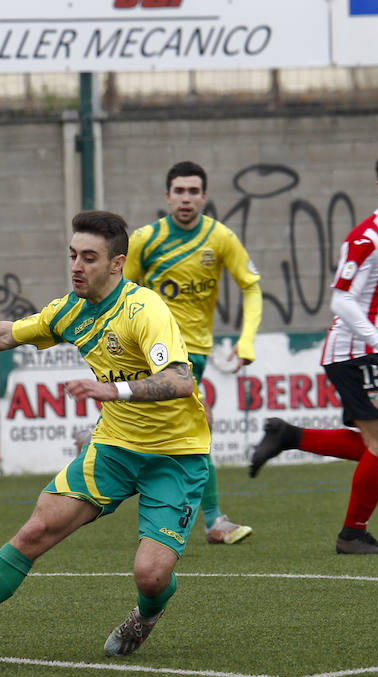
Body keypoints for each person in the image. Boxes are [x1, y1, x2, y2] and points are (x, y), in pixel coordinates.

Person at [0, 210, 209, 658]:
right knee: (35, 531)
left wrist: (112, 389)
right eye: (72, 255)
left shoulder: (144, 309)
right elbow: (8, 334)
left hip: (175, 455)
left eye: (89, 257)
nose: (76, 266)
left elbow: (181, 380)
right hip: (114, 449)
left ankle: (145, 616)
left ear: (116, 263)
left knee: (151, 575)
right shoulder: (69, 311)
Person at [248, 149, 378, 555]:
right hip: (353, 351)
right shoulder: (366, 239)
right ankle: (352, 534)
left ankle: (288, 436)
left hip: (369, 349)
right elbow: (342, 301)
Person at [123, 160, 262, 546]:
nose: (186, 198)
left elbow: (250, 286)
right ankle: (213, 519)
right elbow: (120, 292)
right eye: (179, 191)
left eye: (193, 191)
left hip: (195, 352)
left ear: (204, 196)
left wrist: (246, 340)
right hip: (152, 352)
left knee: (190, 431)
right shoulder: (145, 239)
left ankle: (205, 517)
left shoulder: (220, 239)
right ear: (167, 196)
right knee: (195, 429)